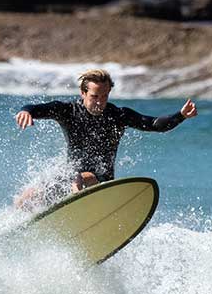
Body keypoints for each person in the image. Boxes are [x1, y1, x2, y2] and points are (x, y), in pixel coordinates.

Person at [13, 69, 197, 208]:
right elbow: (36, 108)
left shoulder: (118, 115)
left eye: (104, 96)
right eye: (94, 96)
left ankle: (76, 213)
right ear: (83, 93)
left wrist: (180, 115)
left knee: (78, 179)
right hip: (70, 177)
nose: (100, 102)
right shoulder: (68, 111)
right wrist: (26, 111)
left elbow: (154, 124)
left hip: (101, 180)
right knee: (25, 199)